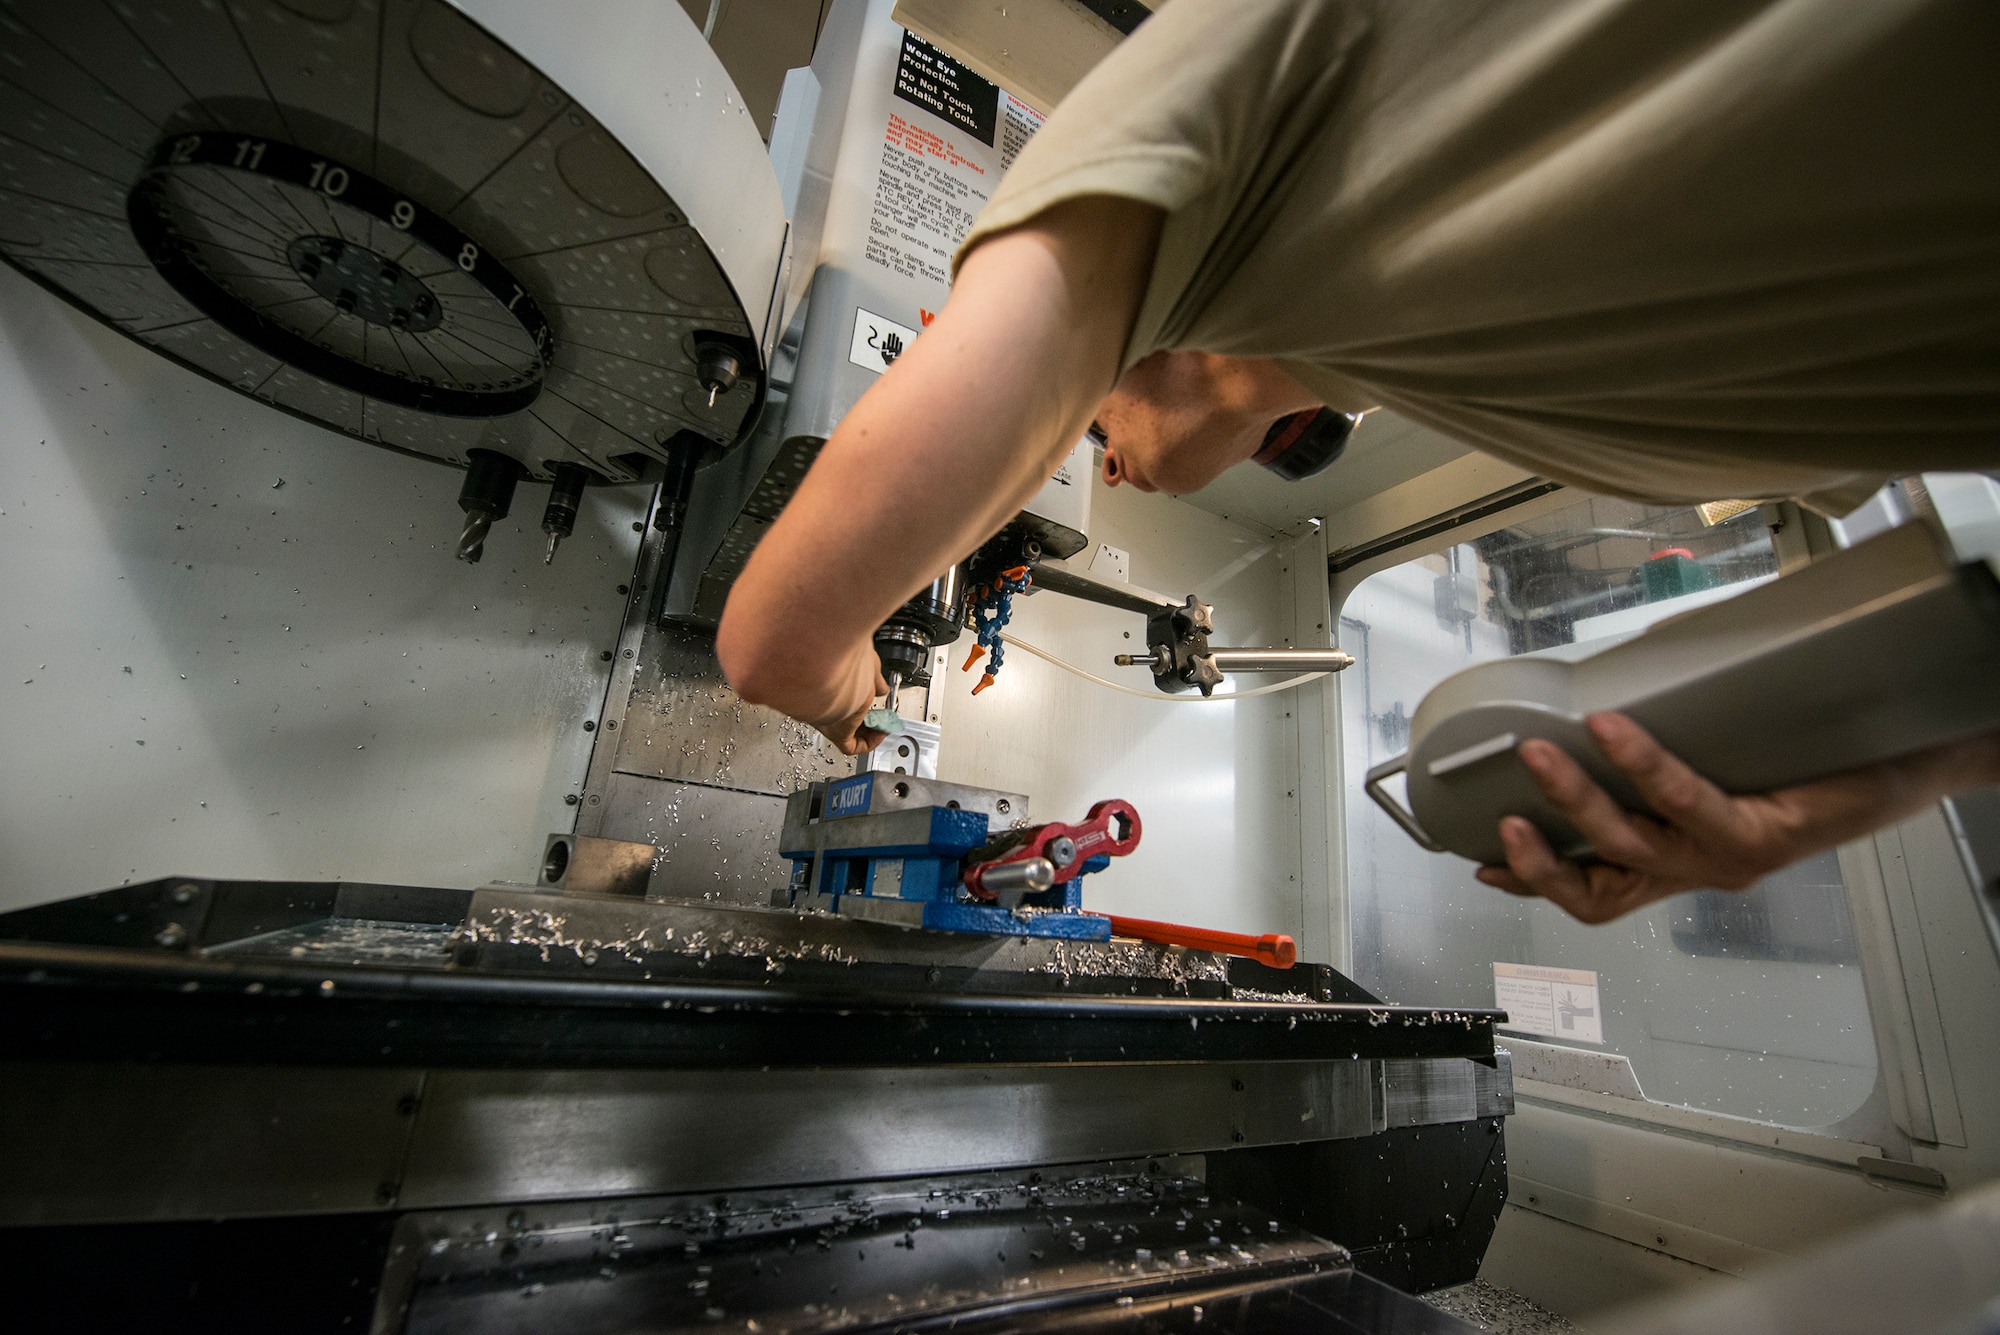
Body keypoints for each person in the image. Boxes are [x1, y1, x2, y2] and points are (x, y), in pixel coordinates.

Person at [718, 0, 2000, 924]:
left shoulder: (1197, 113)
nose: (1094, 472)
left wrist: (853, 703)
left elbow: (773, 643)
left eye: (1076, 432)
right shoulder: (1522, 388)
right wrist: (1882, 785)